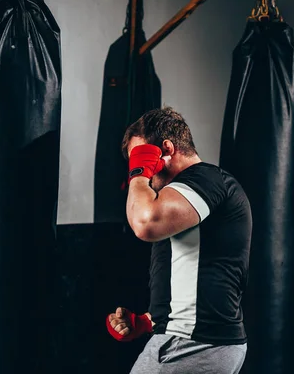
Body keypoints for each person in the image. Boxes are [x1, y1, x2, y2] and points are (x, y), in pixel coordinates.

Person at [105, 106, 252, 373]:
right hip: (196, 340)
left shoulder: (206, 180)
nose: (146, 175)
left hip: (195, 344)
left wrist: (138, 174)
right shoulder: (183, 199)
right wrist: (149, 321)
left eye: (142, 157)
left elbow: (144, 223)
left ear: (167, 150)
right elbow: (198, 274)